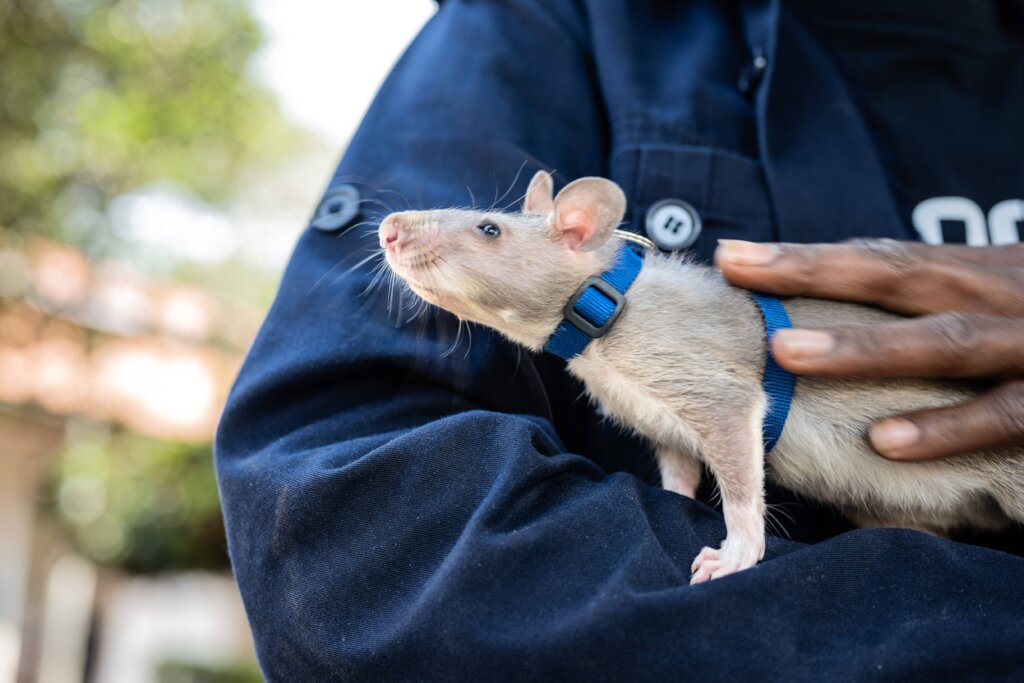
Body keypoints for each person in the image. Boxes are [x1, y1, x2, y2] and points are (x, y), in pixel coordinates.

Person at [215, 1, 1024, 680]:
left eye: (491, 229)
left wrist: (742, 539)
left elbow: (721, 408)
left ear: (580, 228)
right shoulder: (549, 25)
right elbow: (343, 526)